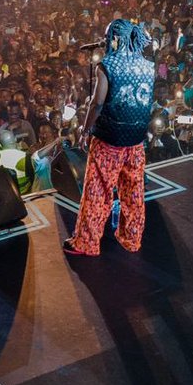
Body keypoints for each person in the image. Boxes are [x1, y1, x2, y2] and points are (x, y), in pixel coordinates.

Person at [64, 20, 155, 256]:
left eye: (108, 37)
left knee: (98, 189)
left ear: (116, 38)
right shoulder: (148, 65)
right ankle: (131, 238)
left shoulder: (107, 65)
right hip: (135, 140)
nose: (106, 41)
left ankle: (87, 243)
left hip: (109, 140)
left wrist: (85, 131)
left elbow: (97, 103)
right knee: (133, 190)